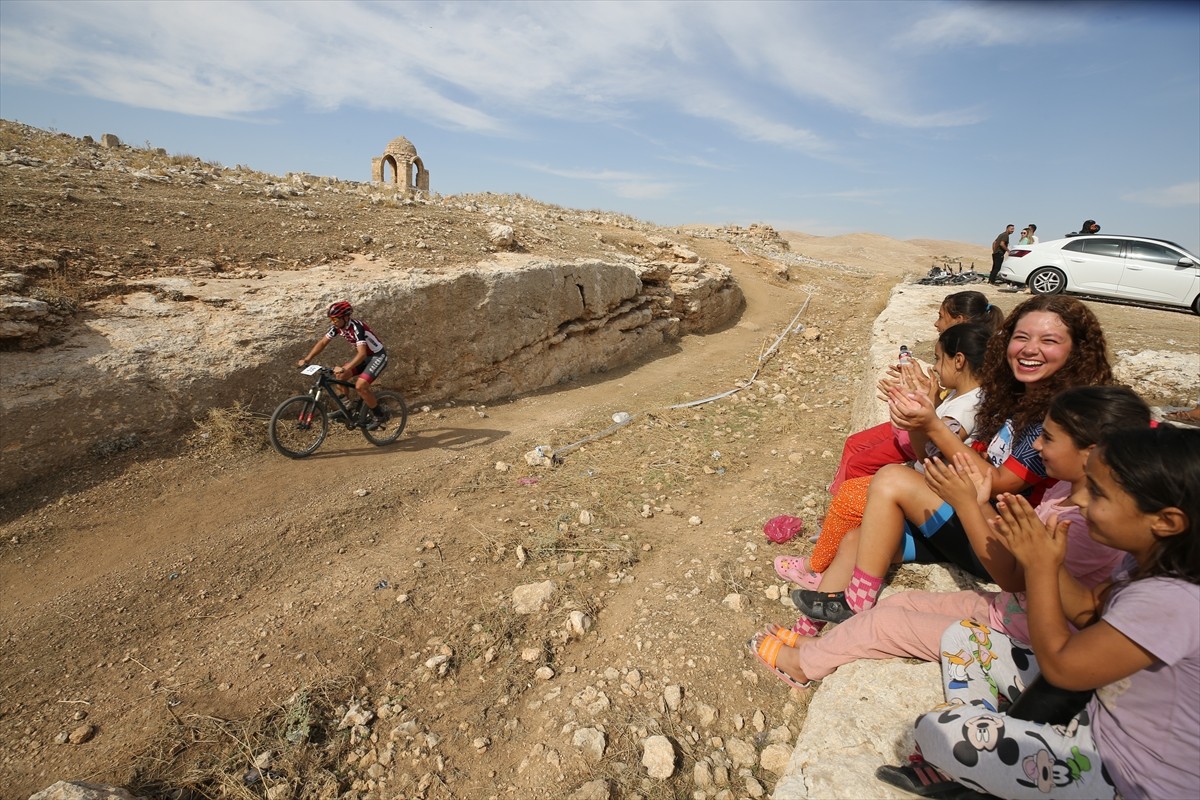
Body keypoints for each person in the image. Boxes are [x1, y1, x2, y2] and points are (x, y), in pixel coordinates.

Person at [752, 386, 1147, 690]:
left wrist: (969, 505)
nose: (1038, 446)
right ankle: (818, 640)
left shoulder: (1087, 519)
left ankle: (803, 666)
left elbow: (1015, 575)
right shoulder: (1068, 490)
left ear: (1090, 451)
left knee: (883, 626)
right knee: (901, 601)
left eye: (1048, 438)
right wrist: (972, 501)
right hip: (1012, 610)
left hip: (1025, 639)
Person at [885, 425, 1199, 800]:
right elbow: (1086, 612)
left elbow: (1062, 668)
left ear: (1166, 521)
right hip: (1098, 718)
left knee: (937, 730)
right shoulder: (1145, 562)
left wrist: (1041, 568)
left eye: (1098, 493)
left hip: (1124, 774)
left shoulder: (1171, 602)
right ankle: (991, 743)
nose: (1081, 501)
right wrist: (1043, 552)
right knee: (965, 636)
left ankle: (987, 759)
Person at [790, 296, 1113, 633]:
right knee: (857, 540)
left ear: (1077, 350)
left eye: (1049, 341)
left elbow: (996, 481)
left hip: (1002, 543)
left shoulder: (1058, 420)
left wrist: (931, 423)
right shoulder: (1013, 398)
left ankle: (855, 604)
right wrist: (920, 417)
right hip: (972, 518)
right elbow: (934, 459)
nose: (1030, 349)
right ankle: (808, 630)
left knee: (890, 479)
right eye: (1022, 337)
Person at [777, 322, 990, 590]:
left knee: (850, 497)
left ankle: (815, 568)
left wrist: (915, 413)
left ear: (958, 360)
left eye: (938, 358)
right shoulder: (964, 396)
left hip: (936, 491)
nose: (934, 367)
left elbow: (929, 453)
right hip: (930, 481)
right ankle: (829, 549)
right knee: (855, 488)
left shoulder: (966, 408)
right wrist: (925, 405)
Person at [828, 291, 1004, 495]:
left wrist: (910, 404)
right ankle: (838, 502)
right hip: (921, 432)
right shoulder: (971, 374)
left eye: (940, 316)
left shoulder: (967, 406)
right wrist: (924, 390)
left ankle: (844, 507)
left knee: (859, 465)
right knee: (854, 443)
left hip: (921, 450)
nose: (936, 324)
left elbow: (931, 449)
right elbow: (943, 403)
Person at [297, 300, 390, 429]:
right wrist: (307, 359)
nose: (333, 322)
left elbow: (362, 353)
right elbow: (323, 343)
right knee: (340, 377)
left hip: (377, 356)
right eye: (331, 319)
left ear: (345, 317)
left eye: (335, 319)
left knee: (360, 386)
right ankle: (347, 409)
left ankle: (379, 416)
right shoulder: (337, 327)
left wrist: (345, 367)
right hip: (365, 358)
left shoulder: (357, 327)